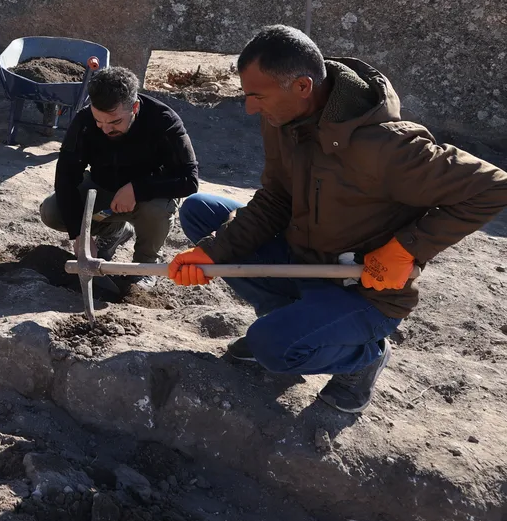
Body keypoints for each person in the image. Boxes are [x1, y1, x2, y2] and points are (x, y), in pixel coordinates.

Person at [169, 25, 507, 413]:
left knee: (271, 348)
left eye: (257, 96)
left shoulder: (386, 146)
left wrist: (405, 250)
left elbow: (493, 187)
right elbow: (277, 198)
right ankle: (287, 318)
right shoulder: (283, 118)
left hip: (362, 292)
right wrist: (212, 252)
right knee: (200, 211)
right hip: (304, 261)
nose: (250, 108)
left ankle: (364, 358)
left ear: (302, 86)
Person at [42, 66, 199, 293]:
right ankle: (114, 232)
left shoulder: (163, 120)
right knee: (52, 210)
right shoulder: (84, 120)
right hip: (102, 190)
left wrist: (137, 189)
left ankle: (146, 265)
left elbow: (189, 180)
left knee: (156, 209)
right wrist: (79, 235)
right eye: (99, 121)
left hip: (149, 198)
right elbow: (66, 177)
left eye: (114, 122)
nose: (106, 129)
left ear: (134, 107)